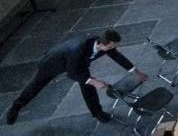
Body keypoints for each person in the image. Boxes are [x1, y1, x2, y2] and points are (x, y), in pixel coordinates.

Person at [6, 29, 147, 125]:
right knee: (35, 87)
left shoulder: (102, 44)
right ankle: (15, 107)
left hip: (80, 63)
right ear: (103, 43)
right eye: (112, 46)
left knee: (88, 86)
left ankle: (97, 113)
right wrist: (93, 81)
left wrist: (136, 71)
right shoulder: (79, 49)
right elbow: (71, 73)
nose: (114, 48)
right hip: (54, 63)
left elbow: (117, 56)